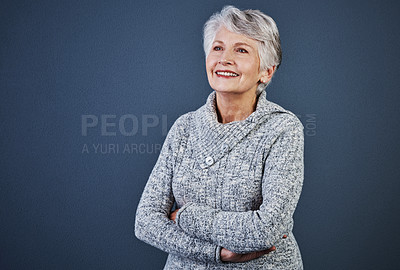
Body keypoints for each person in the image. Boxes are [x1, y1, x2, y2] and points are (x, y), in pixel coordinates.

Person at [135, 5, 304, 269]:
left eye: (241, 50)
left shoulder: (282, 129)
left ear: (266, 71)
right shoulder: (185, 127)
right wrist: (216, 253)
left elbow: (267, 229)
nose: (224, 59)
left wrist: (185, 216)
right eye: (217, 48)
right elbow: (145, 221)